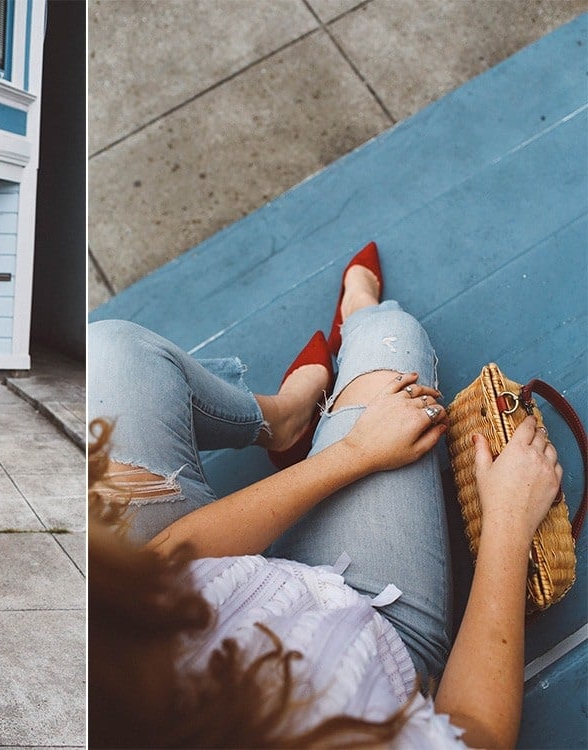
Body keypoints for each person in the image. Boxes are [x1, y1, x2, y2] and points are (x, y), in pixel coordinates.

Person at [87, 243, 562, 748]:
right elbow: (478, 733)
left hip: (223, 581)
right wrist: (508, 525)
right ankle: (358, 318)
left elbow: (167, 562)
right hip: (367, 626)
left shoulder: (102, 663)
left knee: (112, 351)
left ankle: (287, 420)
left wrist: (356, 451)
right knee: (393, 342)